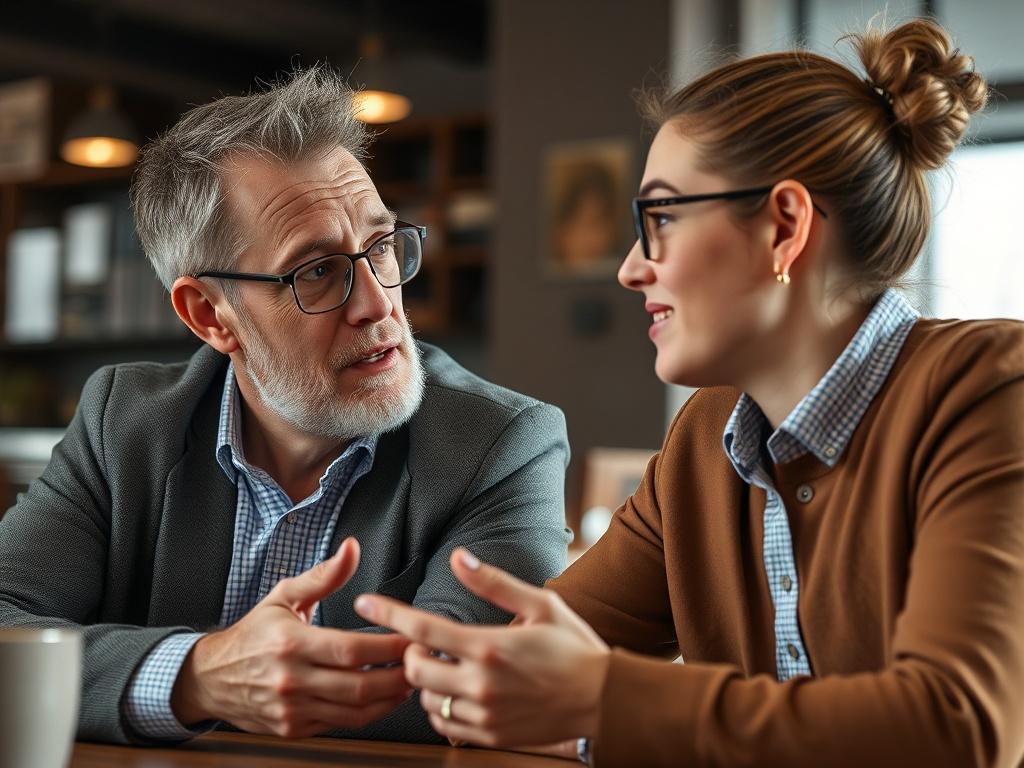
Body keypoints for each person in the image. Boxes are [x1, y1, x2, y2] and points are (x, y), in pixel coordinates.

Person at [354, 18, 1024, 767]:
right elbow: (508, 689)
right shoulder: (708, 438)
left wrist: (602, 701)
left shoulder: (994, 390)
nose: (631, 269)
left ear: (784, 227)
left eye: (661, 218)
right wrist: (494, 688)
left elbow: (959, 730)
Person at [0, 67, 571, 746]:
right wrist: (198, 675)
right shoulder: (121, 421)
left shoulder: (501, 443)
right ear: (211, 315)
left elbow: (476, 685)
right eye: (318, 271)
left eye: (381, 247)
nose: (378, 304)